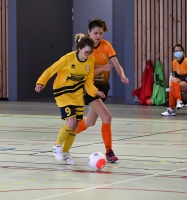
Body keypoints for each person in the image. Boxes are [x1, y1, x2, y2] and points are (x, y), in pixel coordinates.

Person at [35, 33, 105, 165]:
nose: (88, 55)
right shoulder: (68, 58)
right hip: (63, 92)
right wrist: (41, 82)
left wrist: (96, 91)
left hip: (77, 94)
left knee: (75, 125)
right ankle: (57, 145)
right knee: (71, 120)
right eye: (86, 52)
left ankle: (66, 152)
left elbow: (88, 81)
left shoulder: (91, 60)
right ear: (79, 49)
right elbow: (51, 70)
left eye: (90, 52)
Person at [76, 18, 129, 163]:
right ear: (89, 32)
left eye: (100, 33)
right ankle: (109, 151)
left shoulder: (106, 46)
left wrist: (122, 75)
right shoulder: (86, 49)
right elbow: (85, 74)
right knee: (107, 117)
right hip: (90, 89)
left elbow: (116, 64)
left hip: (103, 88)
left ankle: (66, 134)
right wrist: (102, 68)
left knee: (90, 122)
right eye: (95, 33)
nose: (98, 36)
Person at [161, 44, 187, 116]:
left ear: (183, 52)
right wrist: (183, 78)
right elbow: (176, 75)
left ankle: (172, 108)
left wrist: (181, 78)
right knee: (173, 84)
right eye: (176, 51)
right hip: (181, 81)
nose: (178, 52)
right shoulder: (174, 62)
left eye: (179, 50)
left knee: (173, 84)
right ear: (174, 53)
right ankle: (178, 101)